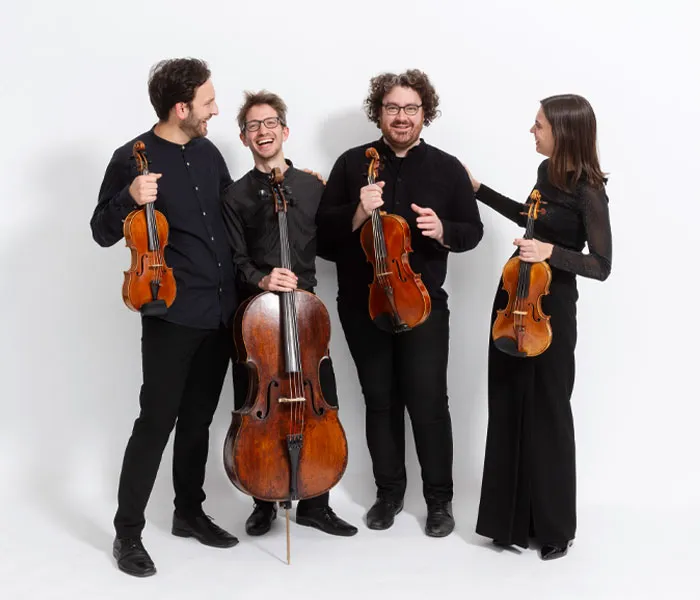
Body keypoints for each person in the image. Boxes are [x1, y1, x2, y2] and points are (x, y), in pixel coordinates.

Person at [316, 70, 483, 537]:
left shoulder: (447, 167)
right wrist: (357, 212)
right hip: (363, 305)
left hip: (424, 304)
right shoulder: (352, 166)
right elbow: (324, 242)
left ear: (424, 113)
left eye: (411, 108)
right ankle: (388, 494)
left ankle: (439, 501)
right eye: (393, 108)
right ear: (380, 113)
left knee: (429, 404)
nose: (402, 117)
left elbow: (473, 231)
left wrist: (443, 231)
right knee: (380, 401)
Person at [91, 58, 239, 578]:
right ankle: (127, 534)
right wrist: (128, 199)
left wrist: (289, 179)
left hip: (221, 309)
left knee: (198, 419)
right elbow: (101, 230)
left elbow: (233, 215)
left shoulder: (210, 153)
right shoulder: (132, 157)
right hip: (171, 311)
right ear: (182, 108)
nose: (215, 110)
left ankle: (188, 513)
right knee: (156, 422)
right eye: (208, 102)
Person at [466, 94, 613, 560]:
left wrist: (551, 253)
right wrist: (479, 189)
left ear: (563, 132)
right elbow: (531, 219)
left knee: (548, 410)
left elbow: (602, 264)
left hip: (552, 308)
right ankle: (508, 522)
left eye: (538, 125)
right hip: (515, 298)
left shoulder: (589, 190)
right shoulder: (545, 174)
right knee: (508, 403)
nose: (532, 131)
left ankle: (553, 529)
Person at [221, 90, 358, 538]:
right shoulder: (236, 196)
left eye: (270, 123)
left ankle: (316, 503)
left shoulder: (310, 187)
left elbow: (337, 239)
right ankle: (264, 499)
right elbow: (235, 259)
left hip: (306, 315)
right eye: (253, 126)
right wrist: (263, 279)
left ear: (285, 130)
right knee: (258, 402)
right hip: (257, 317)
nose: (263, 131)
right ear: (244, 137)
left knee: (321, 400)